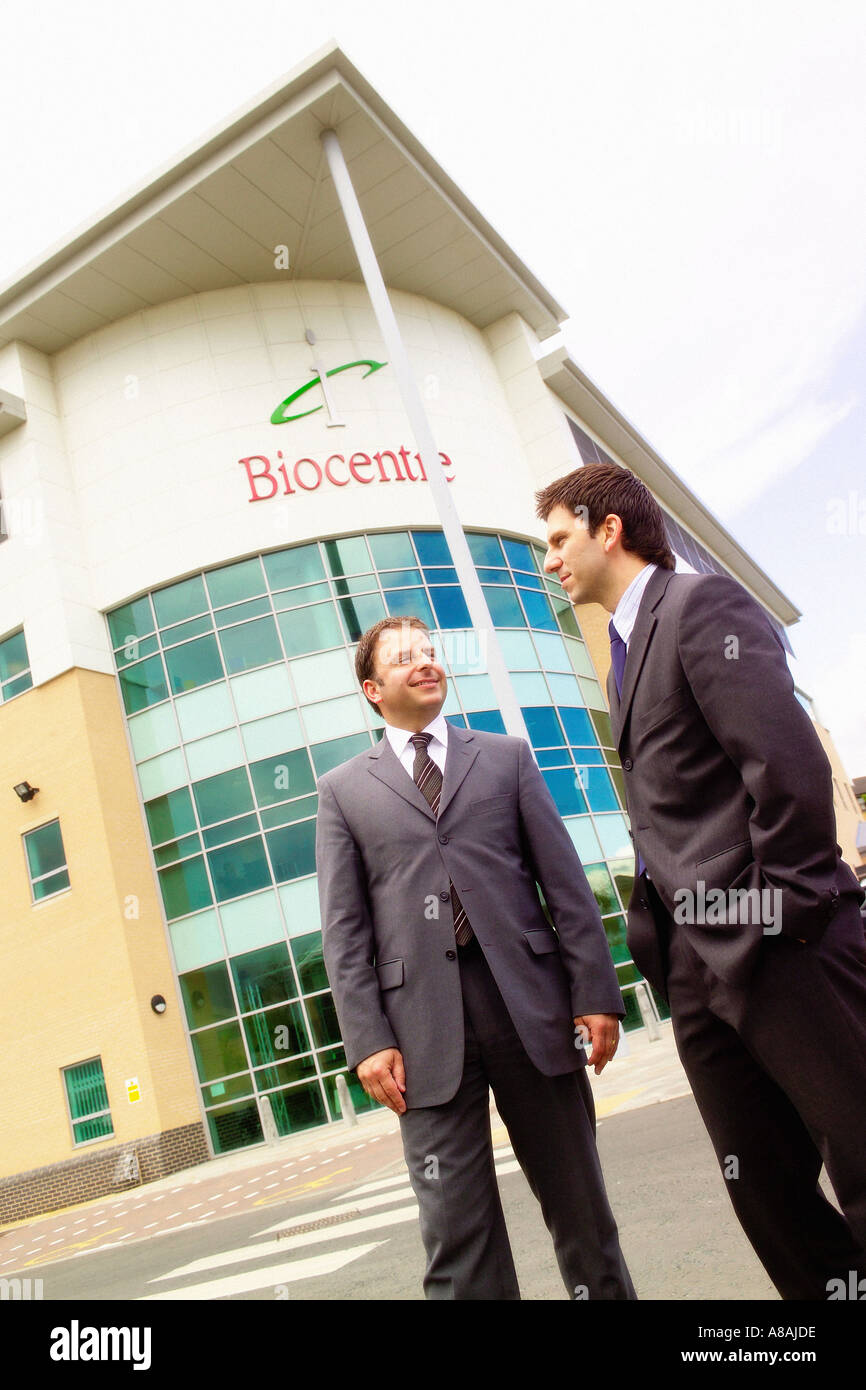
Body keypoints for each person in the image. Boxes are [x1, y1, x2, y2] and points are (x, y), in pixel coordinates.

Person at [537, 461, 866, 1301]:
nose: (549, 561)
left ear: (608, 529)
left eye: (559, 538)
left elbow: (785, 771)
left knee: (860, 1156)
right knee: (765, 1191)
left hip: (778, 945)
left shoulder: (701, 608)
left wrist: (774, 918)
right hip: (694, 964)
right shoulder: (622, 655)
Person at [315, 615, 635, 1300]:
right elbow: (344, 931)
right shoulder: (343, 790)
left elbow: (566, 885)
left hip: (534, 1012)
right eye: (405, 658)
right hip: (420, 1038)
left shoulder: (505, 757)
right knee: (457, 1240)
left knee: (583, 1215)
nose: (426, 663)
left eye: (430, 653)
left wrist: (596, 993)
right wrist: (367, 1041)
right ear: (373, 689)